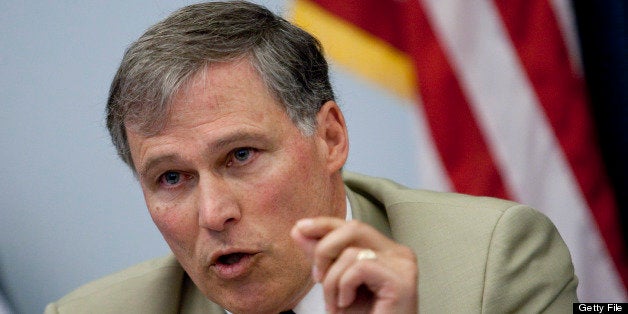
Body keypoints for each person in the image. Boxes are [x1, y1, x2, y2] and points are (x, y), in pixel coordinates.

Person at [45, 1, 578, 313]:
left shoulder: (495, 265)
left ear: (329, 139)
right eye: (171, 177)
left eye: (241, 155)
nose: (213, 214)